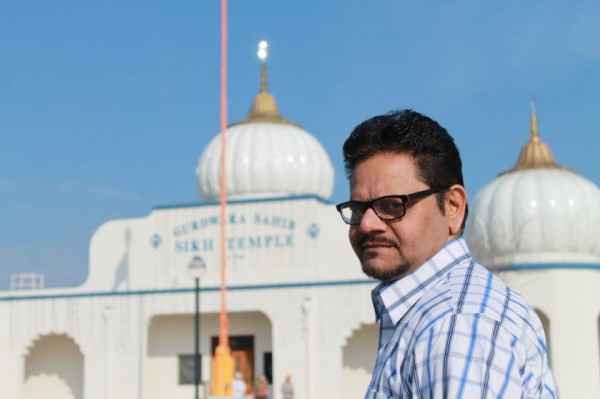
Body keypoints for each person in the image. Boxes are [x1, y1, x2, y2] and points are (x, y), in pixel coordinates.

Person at [336, 109, 559, 398]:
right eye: (358, 208)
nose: (367, 224)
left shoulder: (456, 323)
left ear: (452, 206)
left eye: (392, 205)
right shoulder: (434, 313)